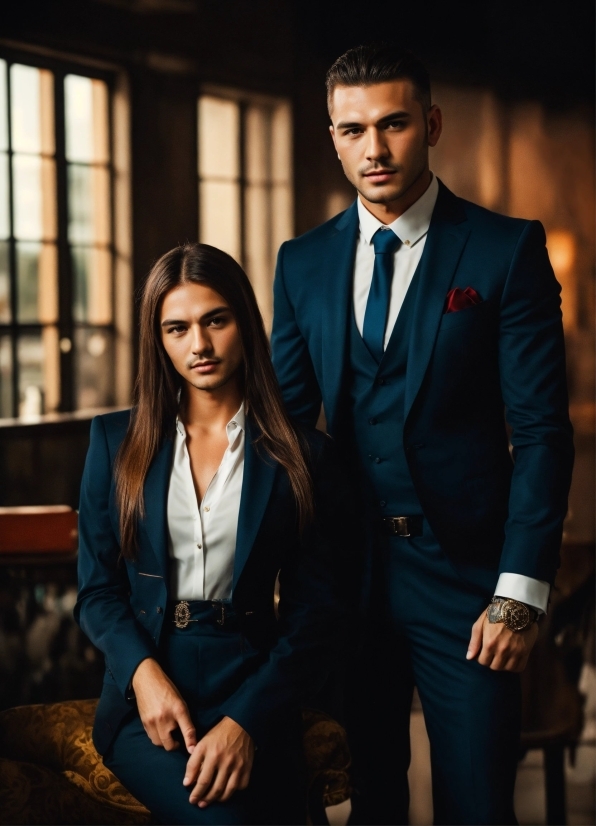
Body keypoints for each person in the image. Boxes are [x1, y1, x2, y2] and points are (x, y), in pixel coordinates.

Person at [271, 43, 574, 825]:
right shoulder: (300, 265)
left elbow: (541, 432)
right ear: (331, 136)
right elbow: (290, 435)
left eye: (395, 124)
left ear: (430, 123)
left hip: (467, 583)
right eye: (353, 130)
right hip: (351, 582)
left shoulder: (506, 250)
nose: (374, 149)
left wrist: (519, 593)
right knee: (371, 801)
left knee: (478, 804)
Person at [75, 242, 352, 825]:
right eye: (177, 328)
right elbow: (98, 592)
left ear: (244, 324)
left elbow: (316, 611)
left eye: (214, 321)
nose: (198, 345)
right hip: (146, 693)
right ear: (158, 340)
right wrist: (143, 676)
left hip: (254, 687)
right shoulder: (114, 444)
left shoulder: (301, 456)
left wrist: (248, 721)